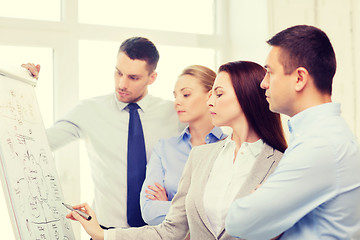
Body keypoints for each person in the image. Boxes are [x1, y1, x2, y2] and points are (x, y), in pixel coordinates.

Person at [65, 60, 288, 240]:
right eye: (210, 94)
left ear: (246, 97)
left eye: (218, 94)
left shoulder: (282, 163)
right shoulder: (201, 156)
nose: (210, 102)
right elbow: (169, 231)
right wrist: (102, 233)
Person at [22, 37, 182, 228]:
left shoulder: (174, 114)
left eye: (133, 77)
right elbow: (38, 143)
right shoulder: (89, 111)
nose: (122, 84)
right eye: (118, 73)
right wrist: (23, 92)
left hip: (158, 233)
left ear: (152, 77)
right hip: (104, 233)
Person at [225, 25, 360, 239]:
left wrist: (260, 198)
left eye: (269, 72)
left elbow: (239, 221)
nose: (263, 83)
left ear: (299, 79)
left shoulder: (320, 145)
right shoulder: (318, 136)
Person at [140, 65, 227, 226]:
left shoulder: (230, 147)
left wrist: (171, 205)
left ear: (210, 96)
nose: (177, 102)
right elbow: (149, 211)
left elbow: (229, 213)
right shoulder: (164, 149)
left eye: (186, 94)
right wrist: (205, 210)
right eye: (175, 96)